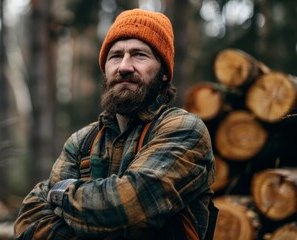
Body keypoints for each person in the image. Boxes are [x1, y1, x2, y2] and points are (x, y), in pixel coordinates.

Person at [14, 8, 217, 240]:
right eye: (115, 56)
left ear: (163, 73)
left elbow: (129, 209)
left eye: (140, 55)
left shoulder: (183, 129)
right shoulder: (82, 142)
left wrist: (59, 195)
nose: (124, 66)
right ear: (106, 68)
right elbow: (29, 221)